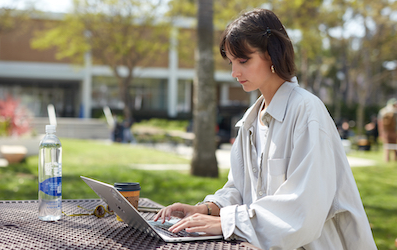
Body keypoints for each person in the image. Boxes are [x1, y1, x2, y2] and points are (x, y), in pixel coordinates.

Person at [154, 9, 377, 249]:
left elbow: (302, 209)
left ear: (271, 54)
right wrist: (206, 209)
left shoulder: (307, 111)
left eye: (243, 60)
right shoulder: (250, 121)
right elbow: (239, 190)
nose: (234, 73)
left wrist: (227, 223)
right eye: (231, 62)